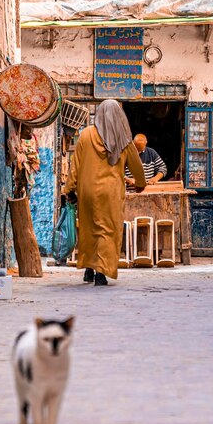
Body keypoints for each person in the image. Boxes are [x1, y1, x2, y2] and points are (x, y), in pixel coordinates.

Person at [63, 99, 146, 286]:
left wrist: (69, 188)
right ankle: (101, 272)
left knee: (89, 229)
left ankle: (89, 269)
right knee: (107, 231)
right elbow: (136, 166)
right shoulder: (124, 138)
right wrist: (140, 183)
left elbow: (74, 166)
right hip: (111, 193)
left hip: (87, 191)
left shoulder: (85, 135)